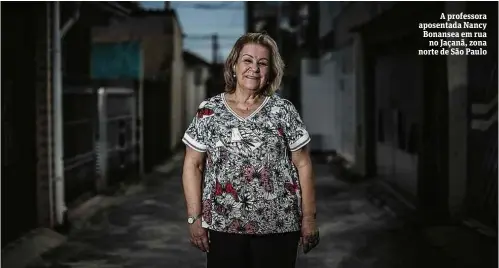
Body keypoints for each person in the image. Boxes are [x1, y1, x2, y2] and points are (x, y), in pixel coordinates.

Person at [181, 32, 319, 268]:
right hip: (224, 226)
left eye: (262, 63)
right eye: (247, 60)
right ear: (234, 65)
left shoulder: (283, 111)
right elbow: (193, 165)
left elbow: (303, 164)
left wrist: (308, 218)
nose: (254, 68)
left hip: (279, 226)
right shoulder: (209, 111)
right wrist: (194, 218)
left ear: (270, 71)